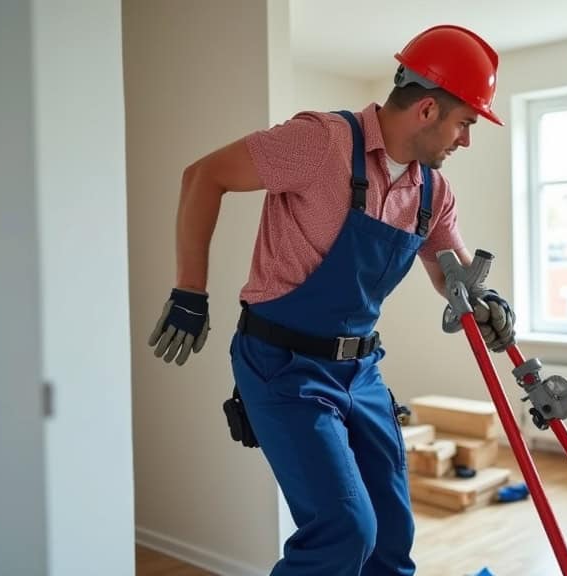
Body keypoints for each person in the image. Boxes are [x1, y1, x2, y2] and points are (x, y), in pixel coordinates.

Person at [146, 24, 516, 576]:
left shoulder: (432, 192)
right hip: (282, 365)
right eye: (465, 123)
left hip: (360, 372)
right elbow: (204, 176)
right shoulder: (321, 142)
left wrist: (487, 303)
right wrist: (189, 291)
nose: (465, 140)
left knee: (391, 538)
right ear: (427, 109)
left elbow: (453, 273)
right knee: (345, 529)